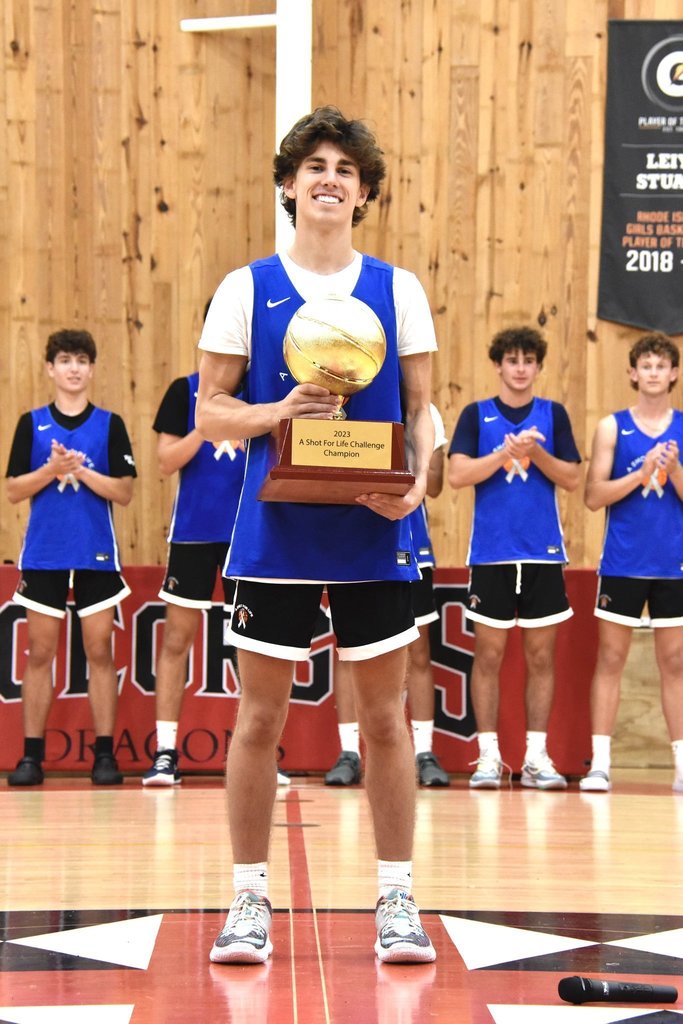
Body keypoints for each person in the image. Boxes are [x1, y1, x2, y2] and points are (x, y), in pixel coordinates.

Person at [196, 106, 437, 965]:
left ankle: (397, 901)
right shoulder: (244, 286)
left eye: (345, 168)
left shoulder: (396, 287)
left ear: (363, 191)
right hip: (276, 532)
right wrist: (278, 410)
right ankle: (247, 902)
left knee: (384, 722)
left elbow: (422, 412)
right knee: (258, 719)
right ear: (290, 184)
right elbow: (210, 408)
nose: (329, 177)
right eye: (315, 166)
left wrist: (419, 483)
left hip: (374, 531)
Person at [448, 326, 581, 790]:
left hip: (543, 555)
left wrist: (535, 451)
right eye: (512, 360)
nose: (520, 368)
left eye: (528, 360)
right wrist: (504, 451)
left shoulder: (553, 415)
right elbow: (457, 474)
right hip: (491, 554)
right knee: (488, 654)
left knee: (541, 657)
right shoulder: (476, 415)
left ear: (538, 367)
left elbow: (571, 478)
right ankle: (488, 756)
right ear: (498, 365)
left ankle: (536, 757)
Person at [5, 329, 136, 786]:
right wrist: (51, 469)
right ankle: (31, 758)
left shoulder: (110, 424)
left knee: (99, 649)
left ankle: (105, 755)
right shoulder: (31, 423)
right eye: (65, 360)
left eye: (82, 359)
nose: (74, 368)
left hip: (96, 555)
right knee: (40, 652)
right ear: (50, 368)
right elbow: (13, 489)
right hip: (45, 554)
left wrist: (80, 469)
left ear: (92, 368)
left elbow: (124, 492)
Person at [325, 404, 450, 787]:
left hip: (410, 541)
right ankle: (349, 751)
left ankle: (424, 750)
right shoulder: (344, 403)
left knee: (419, 651)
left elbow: (439, 483)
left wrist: (413, 451)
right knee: (348, 651)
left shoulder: (423, 410)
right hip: (354, 540)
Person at [580, 333, 683, 794]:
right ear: (633, 373)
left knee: (675, 663)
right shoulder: (611, 428)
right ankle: (599, 763)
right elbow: (592, 496)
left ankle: (681, 764)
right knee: (611, 658)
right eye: (647, 365)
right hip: (622, 563)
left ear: (674, 374)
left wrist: (674, 470)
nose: (654, 372)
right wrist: (640, 474)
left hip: (674, 565)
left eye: (662, 366)